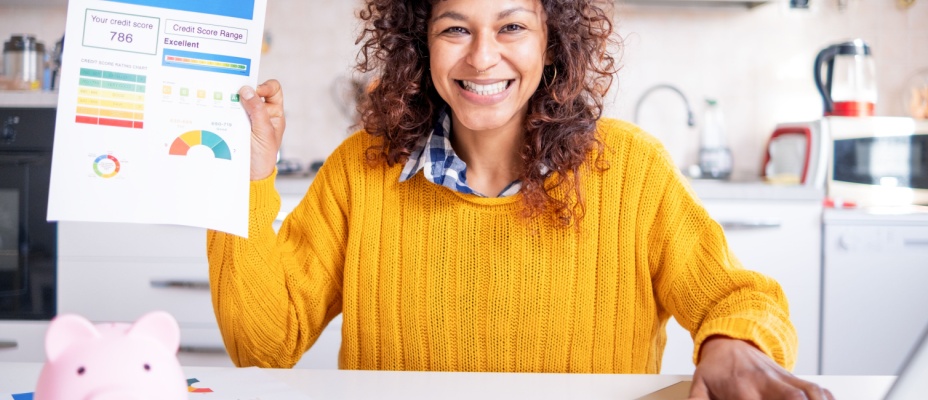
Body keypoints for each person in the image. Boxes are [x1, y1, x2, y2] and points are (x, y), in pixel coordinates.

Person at [207, 0, 834, 398]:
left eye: (512, 25)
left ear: (550, 43)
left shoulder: (629, 169)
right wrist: (247, 178)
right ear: (419, 46)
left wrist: (731, 343)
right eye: (456, 28)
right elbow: (263, 346)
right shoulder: (361, 171)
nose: (483, 56)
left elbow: (740, 297)